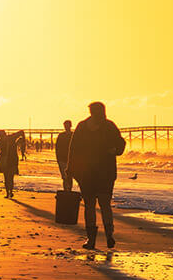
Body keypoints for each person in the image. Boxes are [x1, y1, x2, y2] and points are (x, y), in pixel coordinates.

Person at [67, 101, 126, 249]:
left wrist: (115, 150)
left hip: (101, 172)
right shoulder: (95, 126)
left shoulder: (107, 126)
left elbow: (120, 144)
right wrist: (70, 169)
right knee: (99, 205)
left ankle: (100, 238)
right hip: (92, 173)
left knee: (93, 205)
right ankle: (101, 237)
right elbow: (73, 149)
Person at [0, 129, 25, 198]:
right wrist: (23, 142)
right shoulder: (12, 137)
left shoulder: (1, 141)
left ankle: (8, 193)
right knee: (11, 177)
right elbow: (21, 132)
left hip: (5, 161)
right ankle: (10, 192)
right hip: (13, 160)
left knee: (6, 177)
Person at [54, 120, 75, 192]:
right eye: (65, 125)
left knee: (69, 176)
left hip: (71, 159)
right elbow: (57, 147)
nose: (66, 127)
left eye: (67, 125)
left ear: (70, 126)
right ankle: (66, 191)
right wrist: (58, 159)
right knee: (65, 177)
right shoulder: (61, 135)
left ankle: (68, 190)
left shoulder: (73, 135)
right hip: (62, 159)